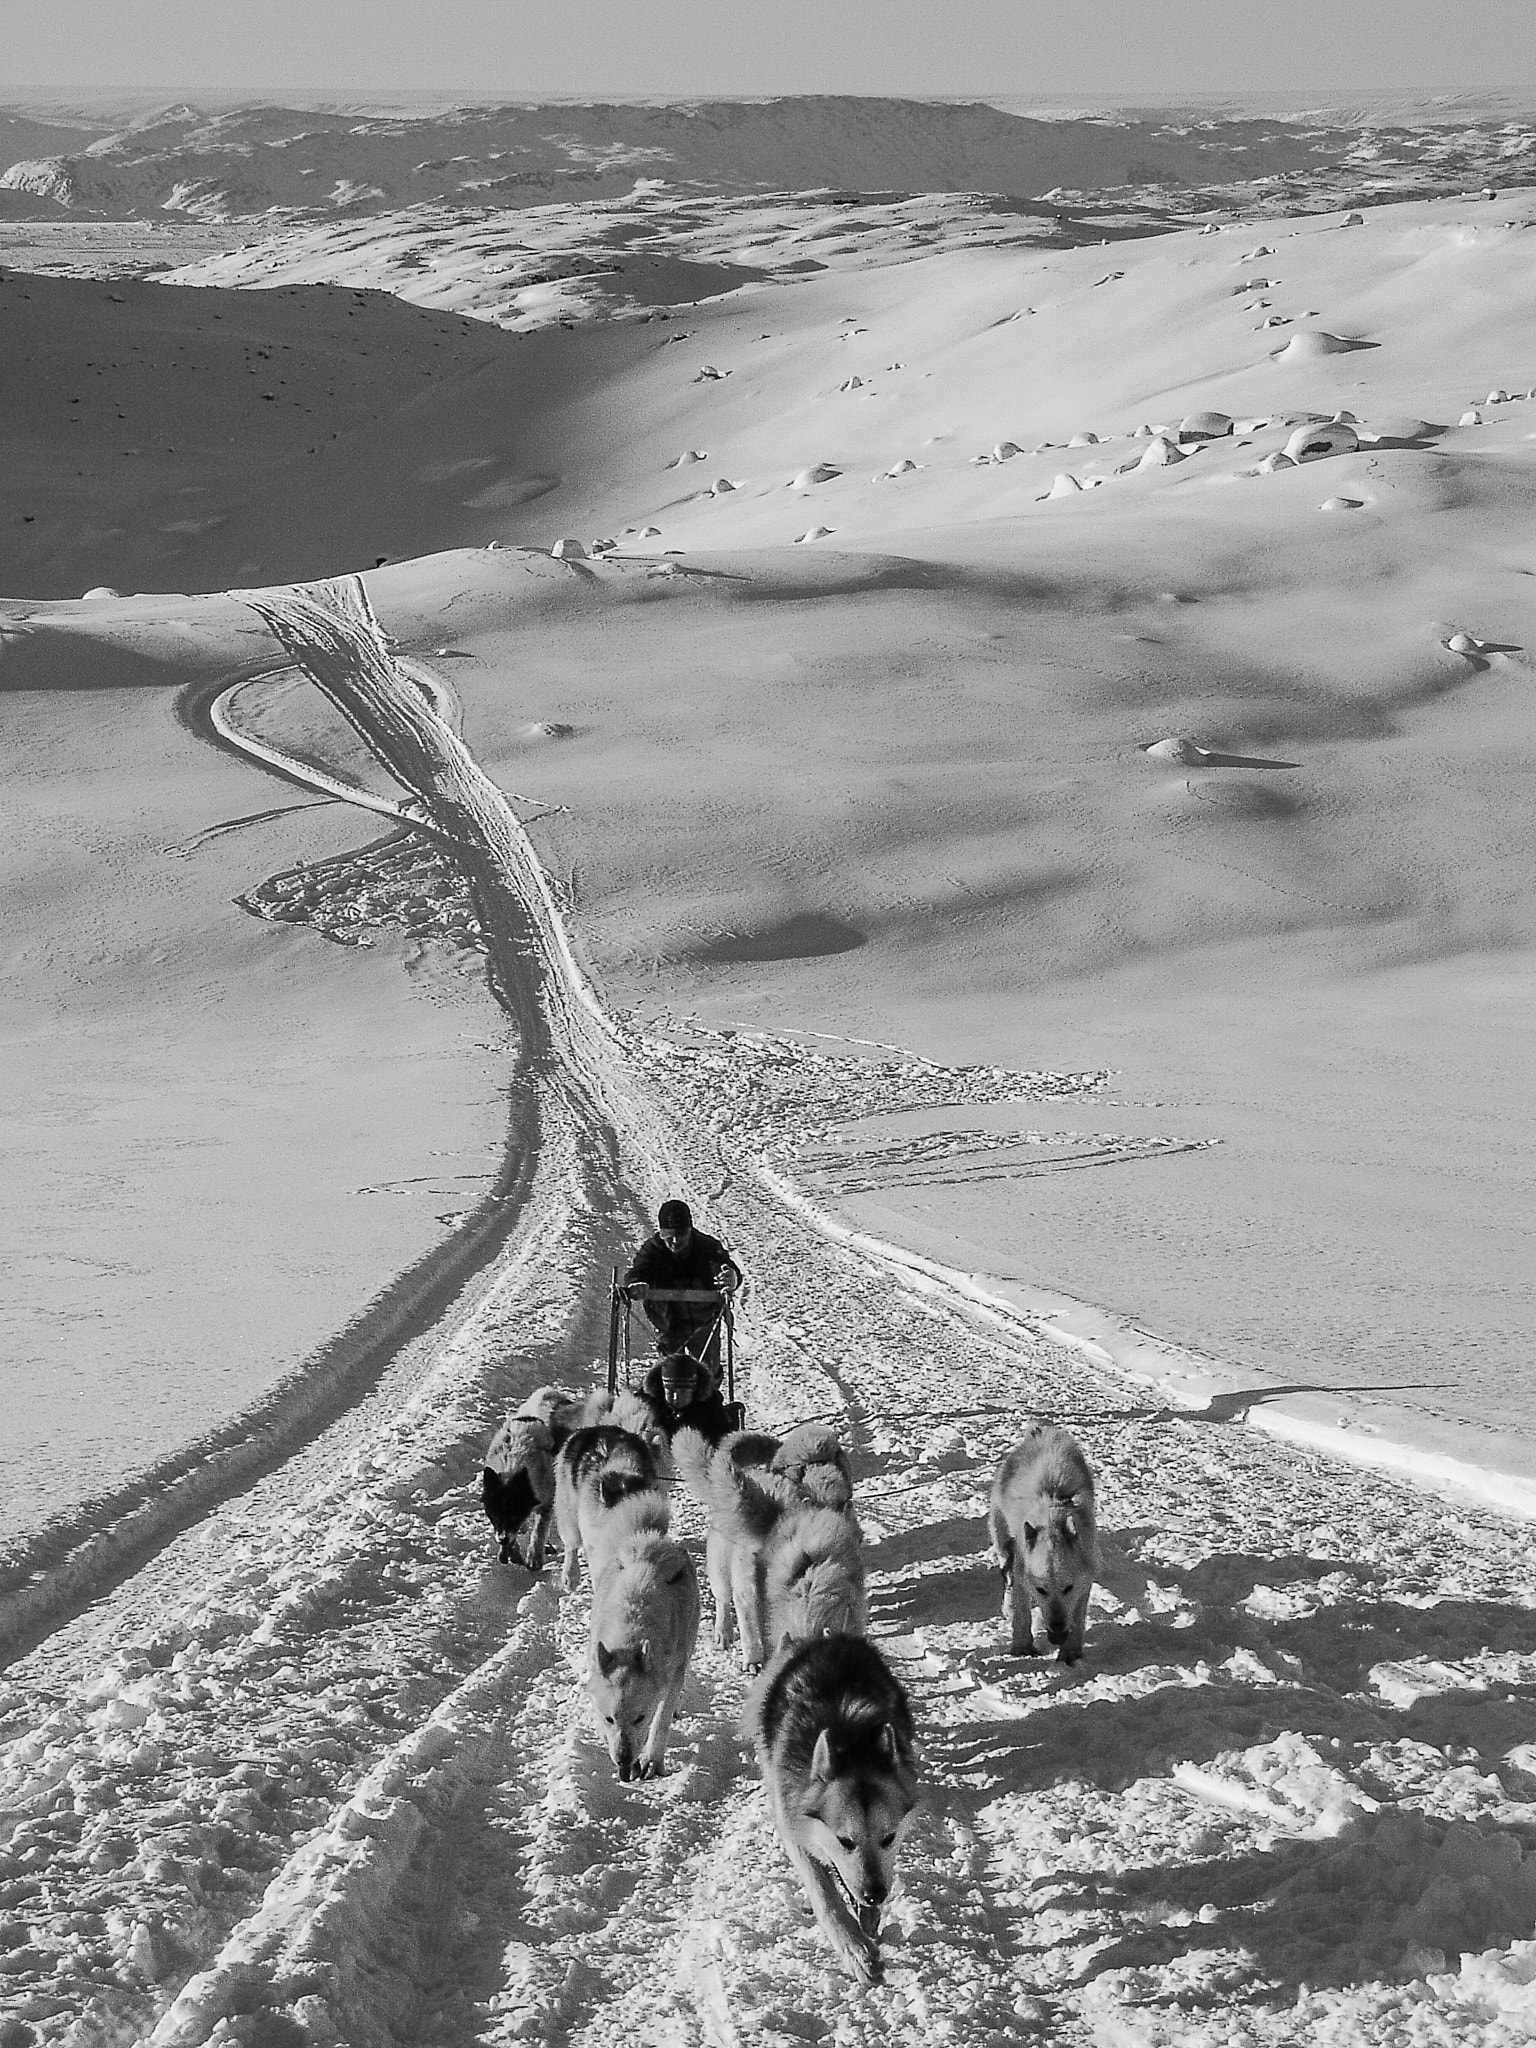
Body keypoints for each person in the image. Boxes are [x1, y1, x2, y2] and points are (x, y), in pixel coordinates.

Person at [623, 1199, 741, 1364]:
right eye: (670, 1237)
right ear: (662, 1233)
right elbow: (639, 1270)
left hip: (703, 1320)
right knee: (672, 1373)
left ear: (690, 1230)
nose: (676, 1242)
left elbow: (722, 1264)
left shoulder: (707, 1246)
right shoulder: (653, 1249)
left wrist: (731, 1277)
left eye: (681, 1236)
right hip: (668, 1321)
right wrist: (636, 1283)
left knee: (707, 1374)